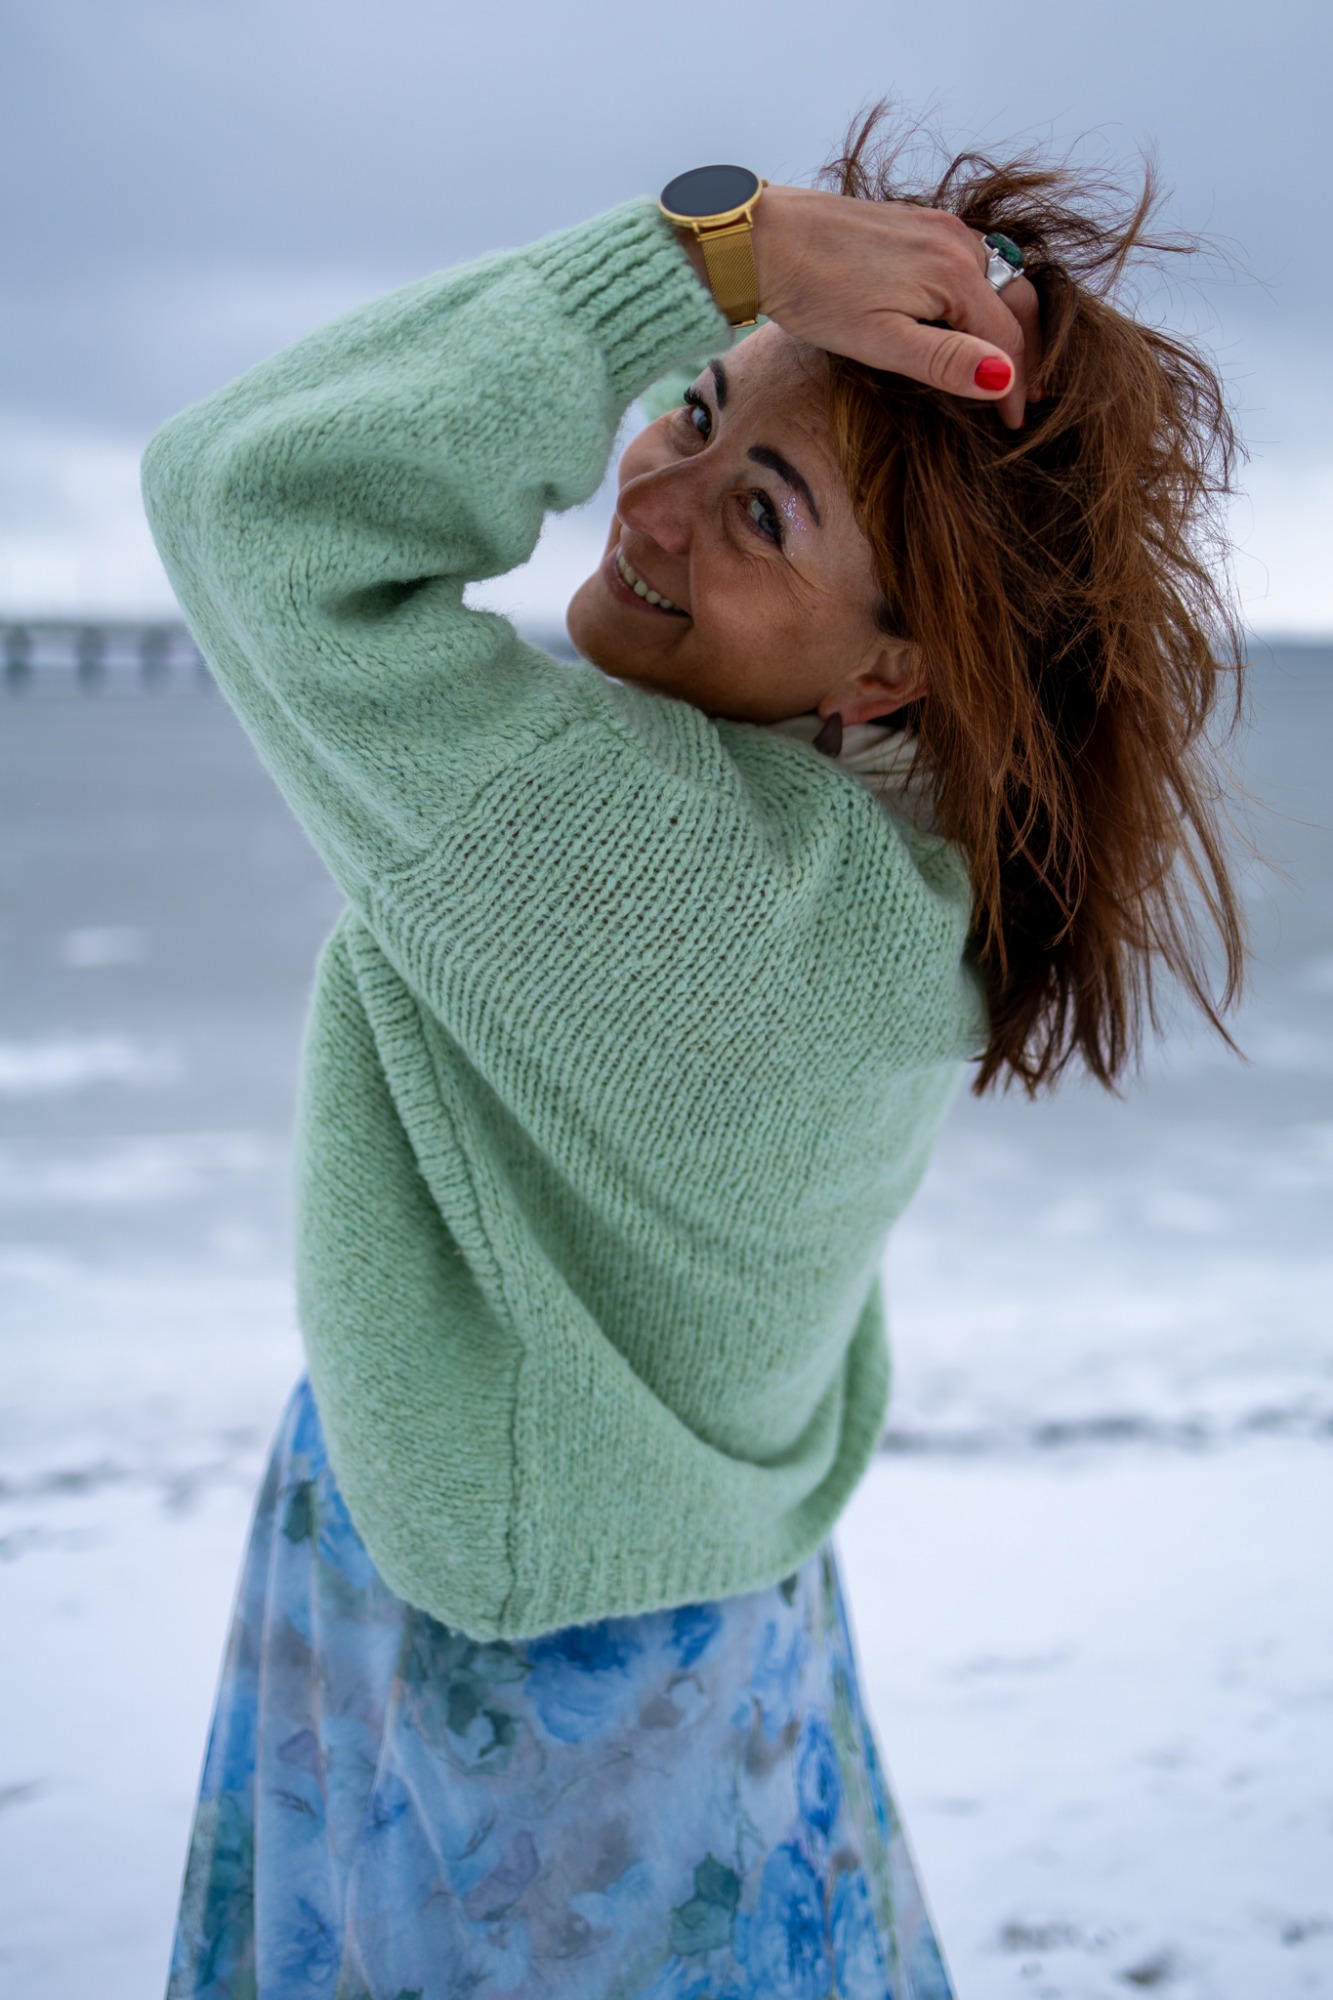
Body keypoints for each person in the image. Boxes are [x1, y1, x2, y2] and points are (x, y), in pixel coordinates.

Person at [145, 110, 1246, 2000]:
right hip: (699, 1604)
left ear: (887, 669)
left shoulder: (663, 879)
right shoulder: (888, 880)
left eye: (761, 514)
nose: (647, 497)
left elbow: (251, 504)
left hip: (505, 1676)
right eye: (692, 407)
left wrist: (699, 263)